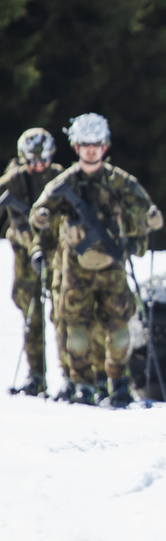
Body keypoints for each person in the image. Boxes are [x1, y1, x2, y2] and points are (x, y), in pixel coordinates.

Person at [29, 114, 164, 407]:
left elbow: (145, 207)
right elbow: (40, 209)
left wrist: (151, 217)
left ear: (105, 146)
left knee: (119, 331)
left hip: (112, 268)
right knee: (76, 330)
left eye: (96, 144)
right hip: (75, 268)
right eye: (85, 144)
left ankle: (118, 382)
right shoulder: (66, 182)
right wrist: (41, 216)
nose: (91, 150)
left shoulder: (118, 180)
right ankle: (83, 384)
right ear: (76, 147)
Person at [1, 129, 63, 396]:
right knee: (31, 315)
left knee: (63, 313)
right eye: (33, 160)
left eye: (44, 159)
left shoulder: (59, 176)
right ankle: (36, 375)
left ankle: (73, 377)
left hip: (55, 252)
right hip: (26, 258)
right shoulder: (15, 179)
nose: (39, 166)